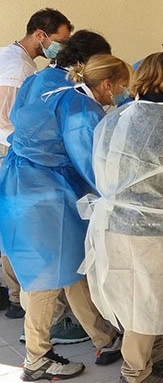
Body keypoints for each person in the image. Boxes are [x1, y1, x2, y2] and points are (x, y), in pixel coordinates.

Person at [83, 52, 163, 383]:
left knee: (132, 297)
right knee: (146, 302)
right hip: (153, 230)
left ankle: (154, 353)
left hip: (112, 223)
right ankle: (136, 374)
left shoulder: (113, 118)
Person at [0, 51, 129, 381]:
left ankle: (104, 337)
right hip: (43, 195)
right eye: (122, 87)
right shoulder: (82, 111)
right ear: (107, 84)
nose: (122, 94)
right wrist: (122, 198)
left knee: (72, 264)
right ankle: (37, 358)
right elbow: (92, 166)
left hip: (24, 183)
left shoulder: (54, 87)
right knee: (46, 276)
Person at [0, 8, 72, 319]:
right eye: (60, 40)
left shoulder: (12, 58)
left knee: (12, 231)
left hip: (12, 155)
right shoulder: (18, 68)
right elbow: (9, 120)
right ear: (40, 35)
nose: (62, 48)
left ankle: (18, 298)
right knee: (25, 234)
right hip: (11, 154)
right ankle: (26, 302)